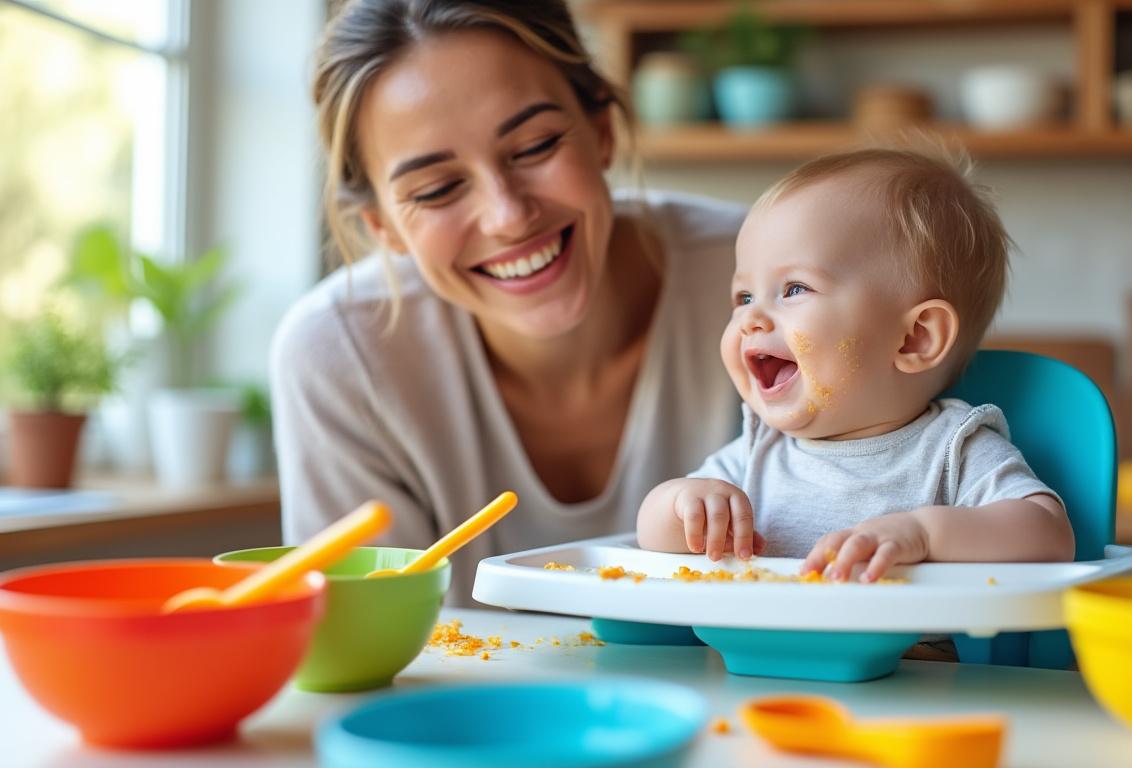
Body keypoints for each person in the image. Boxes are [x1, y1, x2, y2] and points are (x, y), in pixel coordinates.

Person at [273, 0, 744, 605]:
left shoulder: (764, 279)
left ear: (601, 129)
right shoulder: (336, 352)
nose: (508, 216)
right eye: (438, 189)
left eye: (536, 145)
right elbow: (367, 638)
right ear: (384, 227)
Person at [636, 149, 1076, 583]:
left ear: (915, 337)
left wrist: (924, 534)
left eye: (794, 289)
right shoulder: (758, 450)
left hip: (912, 656)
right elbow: (650, 535)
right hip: (754, 652)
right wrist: (682, 504)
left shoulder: (950, 449)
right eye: (744, 297)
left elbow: (1048, 534)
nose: (750, 318)